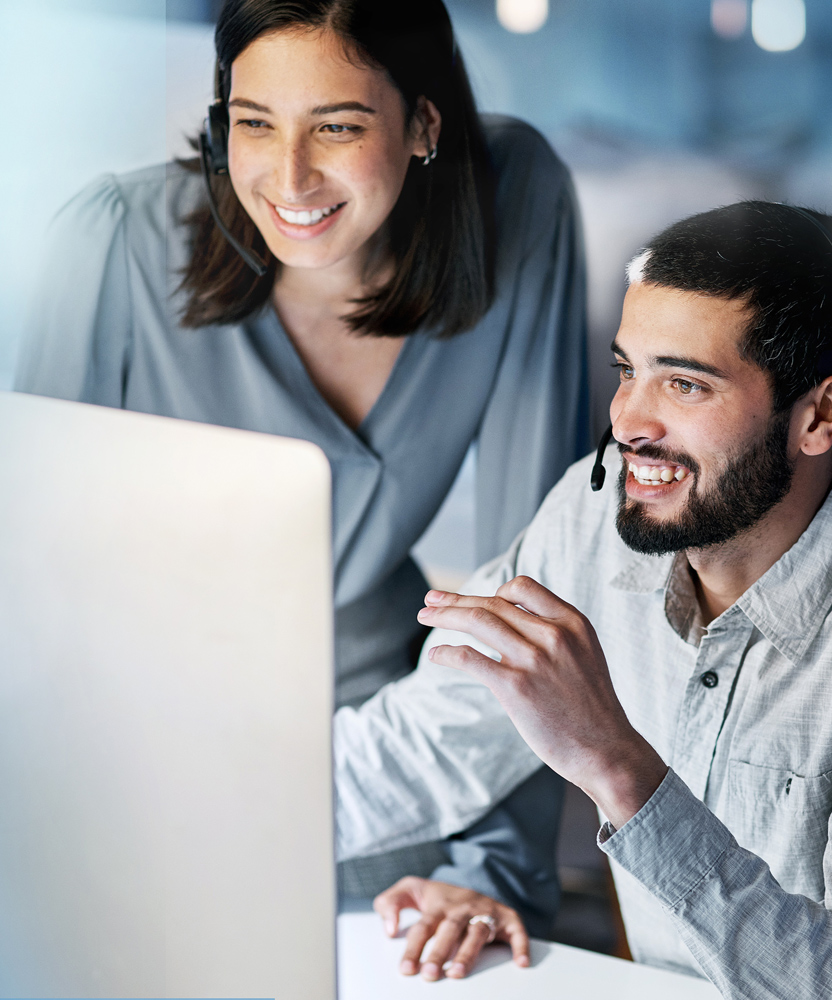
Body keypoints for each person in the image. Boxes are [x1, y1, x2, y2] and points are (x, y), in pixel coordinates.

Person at [15, 0, 588, 948]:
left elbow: (536, 586)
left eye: (337, 126)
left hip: (392, 743)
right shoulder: (112, 243)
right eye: (255, 123)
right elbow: (30, 600)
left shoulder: (516, 201)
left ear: (424, 123)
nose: (289, 179)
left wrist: (490, 874)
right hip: (137, 747)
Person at [335, 201, 832, 994]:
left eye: (685, 384)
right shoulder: (599, 513)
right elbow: (422, 748)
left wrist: (617, 768)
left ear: (818, 415)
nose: (628, 420)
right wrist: (180, 816)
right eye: (628, 370)